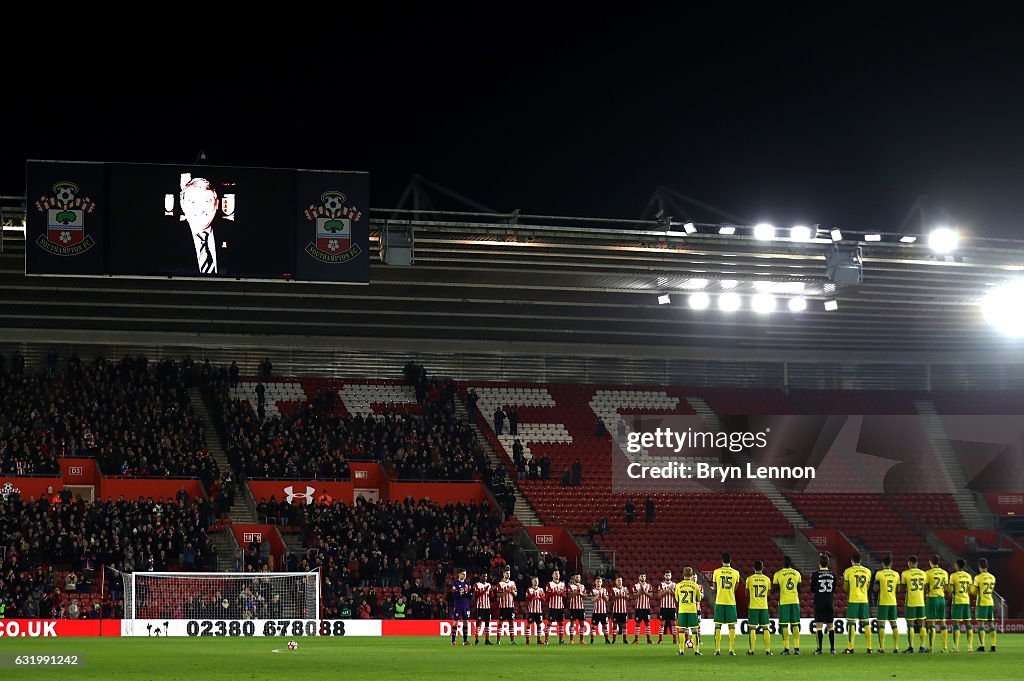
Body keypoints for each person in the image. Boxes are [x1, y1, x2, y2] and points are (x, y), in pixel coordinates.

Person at [710, 552, 740, 656]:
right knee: (731, 626)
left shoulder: (716, 572)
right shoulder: (736, 573)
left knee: (718, 625)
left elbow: (715, 588)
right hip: (731, 602)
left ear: (722, 561)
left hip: (720, 601)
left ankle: (717, 650)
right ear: (730, 561)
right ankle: (731, 650)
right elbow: (735, 588)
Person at [842, 552, 873, 653]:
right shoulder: (867, 571)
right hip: (864, 599)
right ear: (860, 561)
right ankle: (869, 648)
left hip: (853, 599)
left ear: (852, 561)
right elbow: (868, 587)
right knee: (866, 623)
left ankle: (850, 648)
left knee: (851, 622)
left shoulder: (848, 571)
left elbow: (845, 588)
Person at [772, 555, 802, 654]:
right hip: (795, 600)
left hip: (784, 601)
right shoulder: (797, 573)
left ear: (783, 563)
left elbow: (774, 589)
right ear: (791, 563)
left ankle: (786, 649)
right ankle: (797, 648)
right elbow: (800, 589)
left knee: (784, 625)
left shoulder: (778, 574)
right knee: (795, 625)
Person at [873, 554, 901, 653]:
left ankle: (882, 648)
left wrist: (877, 587)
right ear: (891, 564)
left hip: (883, 602)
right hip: (893, 602)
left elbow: (875, 589)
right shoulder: (896, 574)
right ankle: (896, 647)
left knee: (881, 624)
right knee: (894, 624)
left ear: (882, 564)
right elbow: (898, 589)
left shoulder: (879, 574)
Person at [901, 555, 928, 653]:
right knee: (922, 625)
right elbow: (925, 588)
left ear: (909, 563)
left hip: (911, 602)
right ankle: (922, 647)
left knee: (910, 625)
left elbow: (903, 588)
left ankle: (911, 647)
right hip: (921, 602)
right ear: (917, 563)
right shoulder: (923, 574)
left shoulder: (905, 573)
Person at [811, 553, 837, 654]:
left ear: (819, 563)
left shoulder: (815, 574)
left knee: (819, 626)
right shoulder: (833, 574)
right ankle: (832, 649)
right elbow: (834, 589)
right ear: (828, 563)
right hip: (829, 601)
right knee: (830, 625)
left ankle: (819, 649)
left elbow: (812, 589)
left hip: (819, 602)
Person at [745, 560, 772, 655]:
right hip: (764, 606)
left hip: (753, 606)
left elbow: (747, 593)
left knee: (752, 628)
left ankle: (751, 650)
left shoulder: (749, 579)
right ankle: (768, 650)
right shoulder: (767, 579)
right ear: (762, 568)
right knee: (765, 628)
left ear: (753, 568)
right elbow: (768, 593)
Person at [675, 567, 703, 656]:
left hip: (682, 610)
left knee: (682, 630)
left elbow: (677, 599)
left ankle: (681, 650)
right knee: (694, 630)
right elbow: (698, 598)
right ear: (691, 575)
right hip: (692, 610)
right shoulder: (695, 585)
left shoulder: (678, 585)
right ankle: (696, 650)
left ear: (683, 574)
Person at [924, 554, 949, 653]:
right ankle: (944, 647)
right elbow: (946, 588)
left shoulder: (928, 573)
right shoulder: (944, 573)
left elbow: (925, 587)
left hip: (932, 598)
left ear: (930, 562)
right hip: (941, 598)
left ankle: (930, 647)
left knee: (931, 623)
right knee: (943, 622)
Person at [947, 557, 973, 652]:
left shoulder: (953, 576)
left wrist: (950, 591)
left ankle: (956, 647)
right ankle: (970, 646)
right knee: (968, 623)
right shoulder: (968, 576)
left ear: (957, 565)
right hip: (966, 601)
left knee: (956, 623)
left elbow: (949, 590)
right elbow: (970, 590)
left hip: (957, 601)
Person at [972, 557, 997, 652]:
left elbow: (974, 591)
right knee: (991, 624)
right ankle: (993, 645)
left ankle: (981, 646)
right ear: (987, 566)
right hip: (990, 602)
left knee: (980, 625)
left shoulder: (978, 577)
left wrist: (972, 587)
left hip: (981, 603)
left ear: (979, 566)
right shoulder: (992, 577)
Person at [494, 567, 517, 645]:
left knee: (511, 623)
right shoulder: (500, 584)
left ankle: (512, 640)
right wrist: (506, 592)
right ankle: (498, 640)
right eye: (507, 573)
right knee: (500, 623)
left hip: (511, 606)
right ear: (503, 574)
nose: (508, 574)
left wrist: (512, 591)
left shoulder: (512, 583)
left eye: (509, 573)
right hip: (503, 606)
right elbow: (498, 595)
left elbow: (515, 594)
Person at [450, 569, 472, 646]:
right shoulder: (455, 583)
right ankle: (453, 641)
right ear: (459, 574)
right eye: (463, 574)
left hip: (466, 605)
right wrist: (460, 593)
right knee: (456, 622)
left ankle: (465, 641)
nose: (464, 575)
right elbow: (454, 595)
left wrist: (468, 593)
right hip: (458, 605)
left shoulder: (467, 583)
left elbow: (469, 595)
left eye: (465, 574)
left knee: (466, 622)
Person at [545, 569, 567, 645]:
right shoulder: (549, 584)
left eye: (558, 573)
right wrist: (555, 592)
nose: (557, 575)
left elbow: (565, 595)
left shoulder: (562, 584)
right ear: (552, 575)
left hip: (560, 607)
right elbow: (547, 595)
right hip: (553, 607)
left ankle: (561, 640)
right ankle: (546, 640)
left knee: (561, 623)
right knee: (549, 623)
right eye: (555, 574)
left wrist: (561, 593)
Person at [632, 572, 654, 644]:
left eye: (644, 576)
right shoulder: (635, 586)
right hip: (638, 608)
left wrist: (644, 591)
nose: (643, 578)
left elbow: (651, 596)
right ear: (639, 577)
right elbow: (634, 596)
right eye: (642, 576)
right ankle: (636, 639)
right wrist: (640, 591)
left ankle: (648, 639)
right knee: (637, 624)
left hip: (646, 608)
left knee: (647, 624)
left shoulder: (649, 586)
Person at [657, 569, 677, 645]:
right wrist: (668, 589)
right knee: (662, 624)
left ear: (671, 576)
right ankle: (660, 639)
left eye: (669, 575)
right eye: (666, 575)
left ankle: (674, 640)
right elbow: (659, 595)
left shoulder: (674, 584)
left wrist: (671, 590)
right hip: (663, 607)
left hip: (672, 607)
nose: (668, 576)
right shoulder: (661, 584)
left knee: (674, 624)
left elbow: (676, 596)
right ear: (664, 576)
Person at [567, 572, 587, 644]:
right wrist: (576, 592)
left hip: (581, 607)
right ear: (574, 578)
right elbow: (569, 596)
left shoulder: (582, 586)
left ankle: (581, 640)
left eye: (579, 577)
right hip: (573, 607)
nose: (578, 578)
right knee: (572, 624)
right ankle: (571, 639)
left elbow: (585, 596)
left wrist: (581, 593)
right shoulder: (571, 586)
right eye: (577, 577)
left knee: (582, 624)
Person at [472, 574, 493, 645]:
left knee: (487, 624)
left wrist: (491, 591)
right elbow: (476, 595)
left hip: (487, 607)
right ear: (480, 577)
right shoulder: (476, 585)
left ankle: (487, 640)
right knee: (478, 623)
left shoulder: (488, 584)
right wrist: (485, 590)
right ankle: (477, 640)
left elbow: (491, 597)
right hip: (480, 607)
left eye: (486, 576)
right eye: (484, 576)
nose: (485, 578)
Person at [525, 576, 546, 645]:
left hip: (539, 611)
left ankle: (539, 640)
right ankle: (527, 640)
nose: (536, 582)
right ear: (532, 582)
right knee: (528, 625)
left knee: (539, 625)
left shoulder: (541, 590)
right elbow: (527, 600)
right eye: (534, 580)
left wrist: (541, 596)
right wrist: (532, 596)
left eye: (537, 580)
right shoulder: (529, 590)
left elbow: (544, 600)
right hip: (531, 611)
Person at [590, 576, 610, 645]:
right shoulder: (593, 590)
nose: (599, 583)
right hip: (596, 611)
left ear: (602, 583)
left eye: (600, 582)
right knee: (593, 626)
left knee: (605, 626)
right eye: (597, 581)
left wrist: (603, 595)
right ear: (595, 582)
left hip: (603, 612)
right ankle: (592, 639)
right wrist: (597, 596)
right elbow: (592, 600)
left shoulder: (604, 590)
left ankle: (607, 639)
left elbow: (607, 599)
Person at [610, 577, 630, 644]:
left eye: (621, 580)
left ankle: (624, 640)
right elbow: (611, 599)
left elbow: (628, 598)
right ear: (615, 582)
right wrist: (617, 596)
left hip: (624, 610)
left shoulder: (625, 589)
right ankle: (614, 640)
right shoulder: (613, 589)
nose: (620, 582)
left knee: (624, 626)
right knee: (615, 626)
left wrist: (623, 596)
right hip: (616, 610)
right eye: (618, 580)